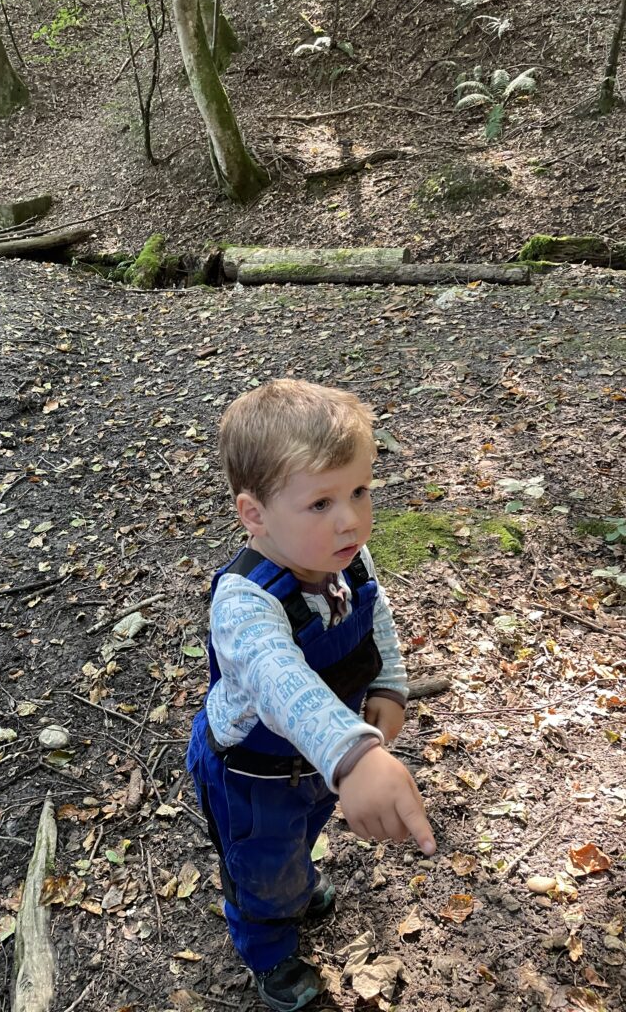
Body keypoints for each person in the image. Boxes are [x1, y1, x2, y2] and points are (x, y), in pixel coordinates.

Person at [186, 379, 436, 1012]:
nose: (351, 518)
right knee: (260, 864)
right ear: (255, 515)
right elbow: (281, 681)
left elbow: (377, 620)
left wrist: (388, 686)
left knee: (300, 840)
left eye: (359, 491)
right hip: (253, 773)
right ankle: (269, 950)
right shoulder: (245, 604)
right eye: (321, 502)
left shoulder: (349, 557)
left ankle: (294, 885)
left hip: (315, 767)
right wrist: (352, 753)